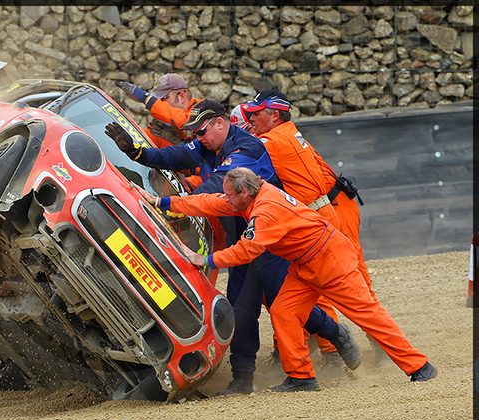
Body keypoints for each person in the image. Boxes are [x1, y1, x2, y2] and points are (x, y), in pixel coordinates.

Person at [104, 100, 360, 395]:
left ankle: (330, 335)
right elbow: (173, 155)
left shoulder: (245, 150)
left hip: (271, 239)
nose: (197, 139)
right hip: (243, 239)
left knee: (282, 304)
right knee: (242, 307)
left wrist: (172, 207)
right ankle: (243, 379)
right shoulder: (208, 143)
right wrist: (136, 152)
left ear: (220, 123)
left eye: (201, 132)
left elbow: (215, 189)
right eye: (196, 134)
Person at [137, 166, 437, 391]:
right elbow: (210, 202)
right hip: (307, 261)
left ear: (245, 193)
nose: (226, 199)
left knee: (368, 314)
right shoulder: (255, 194)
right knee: (283, 310)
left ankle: (419, 366)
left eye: (230, 195)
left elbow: (246, 250)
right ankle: (301, 377)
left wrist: (205, 260)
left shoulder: (266, 212)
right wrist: (161, 203)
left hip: (329, 261)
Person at [243, 89, 390, 366]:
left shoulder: (270, 140)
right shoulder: (286, 132)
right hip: (336, 204)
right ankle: (373, 342)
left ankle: (338, 352)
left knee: (329, 284)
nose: (252, 119)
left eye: (256, 114)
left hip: (327, 210)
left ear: (274, 115)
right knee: (351, 280)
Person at [115, 73, 202, 149]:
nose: (160, 103)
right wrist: (130, 147)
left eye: (163, 98)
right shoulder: (160, 125)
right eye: (157, 100)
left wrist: (146, 99)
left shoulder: (204, 108)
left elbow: (187, 123)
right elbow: (144, 147)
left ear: (181, 97)